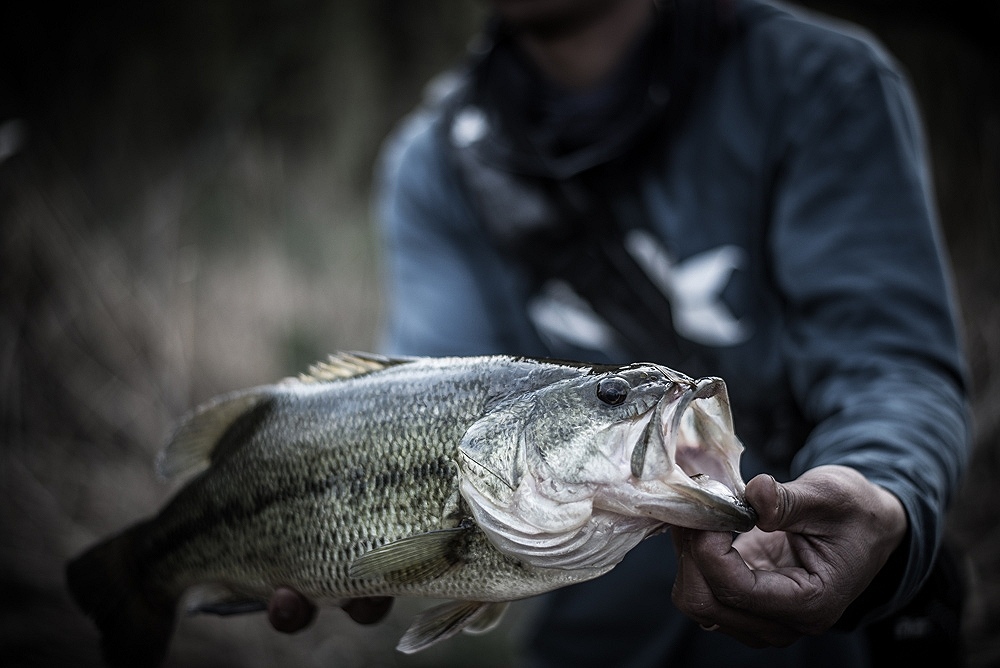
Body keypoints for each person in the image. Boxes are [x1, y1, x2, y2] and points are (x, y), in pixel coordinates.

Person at [270, 0, 971, 666]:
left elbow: (891, 367)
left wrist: (883, 491)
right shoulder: (434, 165)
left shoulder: (818, 84)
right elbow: (428, 411)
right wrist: (333, 516)